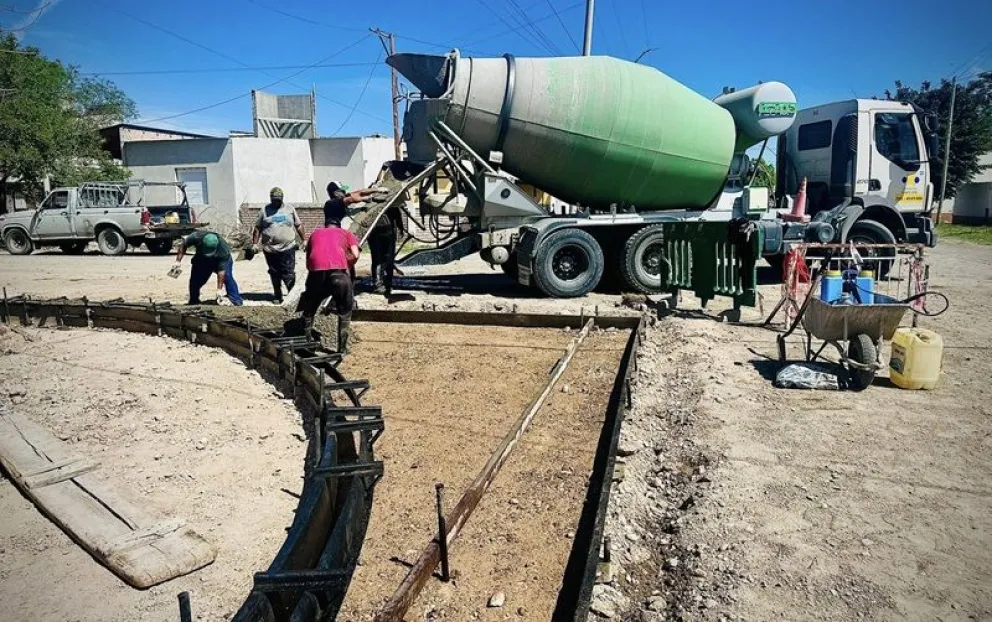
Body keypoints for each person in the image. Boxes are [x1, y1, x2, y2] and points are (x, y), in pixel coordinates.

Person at [299, 199, 360, 353]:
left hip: (316, 273)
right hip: (338, 273)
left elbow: (308, 262)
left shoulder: (315, 234)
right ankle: (342, 349)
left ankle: (306, 339)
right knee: (345, 309)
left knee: (310, 305)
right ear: (338, 226)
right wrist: (347, 266)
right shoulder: (346, 233)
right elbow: (355, 254)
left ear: (325, 226)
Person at [253, 187, 305, 304]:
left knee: (288, 273)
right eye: (274, 200)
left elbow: (299, 225)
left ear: (282, 198)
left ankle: (293, 296)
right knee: (274, 272)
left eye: (279, 199)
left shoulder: (290, 209)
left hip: (288, 247)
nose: (277, 202)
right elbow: (257, 228)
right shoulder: (264, 210)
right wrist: (255, 244)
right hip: (270, 249)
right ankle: (278, 295)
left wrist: (304, 240)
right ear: (271, 199)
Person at [173, 230, 243, 306]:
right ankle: (194, 300)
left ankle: (236, 300)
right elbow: (184, 245)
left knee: (227, 276)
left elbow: (221, 272)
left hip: (218, 260)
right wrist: (178, 261)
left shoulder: (223, 250)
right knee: (195, 278)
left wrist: (219, 290)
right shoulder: (196, 236)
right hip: (201, 258)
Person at [368, 201, 405, 295]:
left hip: (375, 234)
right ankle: (386, 284)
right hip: (387, 233)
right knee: (387, 259)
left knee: (377, 259)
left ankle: (379, 284)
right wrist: (401, 228)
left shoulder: (371, 202)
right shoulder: (392, 201)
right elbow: (398, 216)